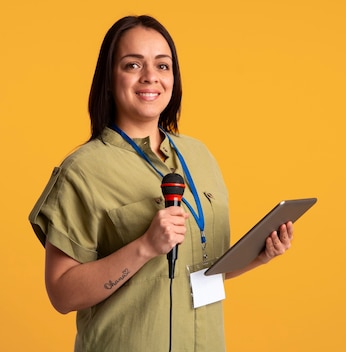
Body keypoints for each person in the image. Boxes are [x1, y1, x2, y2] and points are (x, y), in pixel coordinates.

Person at [28, 15, 294, 352]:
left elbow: (199, 274)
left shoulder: (199, 156)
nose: (150, 76)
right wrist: (145, 247)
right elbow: (62, 293)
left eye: (162, 66)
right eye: (132, 65)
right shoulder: (82, 171)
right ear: (109, 79)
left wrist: (259, 256)